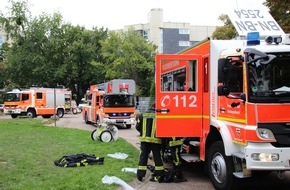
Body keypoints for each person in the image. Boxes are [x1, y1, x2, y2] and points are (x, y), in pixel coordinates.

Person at [136, 105, 165, 183]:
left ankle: (140, 175)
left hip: (145, 140)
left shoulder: (142, 114)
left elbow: (137, 126)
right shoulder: (159, 115)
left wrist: (143, 133)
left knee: (143, 156)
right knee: (157, 157)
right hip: (156, 141)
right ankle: (159, 175)